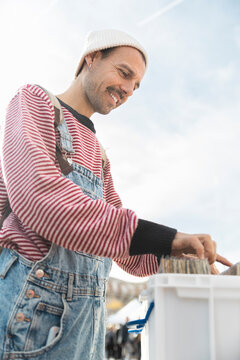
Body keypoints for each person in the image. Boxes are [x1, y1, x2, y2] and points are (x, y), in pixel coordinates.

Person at [0, 29, 231, 360]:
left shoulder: (99, 155)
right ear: (91, 59)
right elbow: (41, 198)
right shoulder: (34, 102)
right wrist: (168, 237)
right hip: (30, 317)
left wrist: (180, 259)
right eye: (124, 73)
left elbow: (121, 249)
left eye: (135, 85)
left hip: (85, 326)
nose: (128, 90)